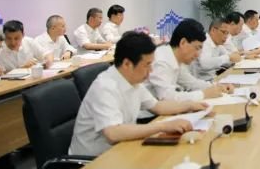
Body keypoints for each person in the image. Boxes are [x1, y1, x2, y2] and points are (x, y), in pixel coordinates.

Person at [69, 32, 208, 156]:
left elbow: (158, 106)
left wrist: (190, 105)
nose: (151, 70)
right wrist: (163, 126)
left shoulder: (133, 81)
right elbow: (113, 133)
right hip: (92, 161)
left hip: (121, 149)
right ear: (127, 64)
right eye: (147, 65)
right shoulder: (105, 87)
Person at [146, 18, 231, 101]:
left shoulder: (176, 58)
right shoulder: (162, 61)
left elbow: (191, 83)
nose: (197, 55)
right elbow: (167, 97)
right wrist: (203, 94)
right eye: (197, 48)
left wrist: (218, 86)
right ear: (183, 43)